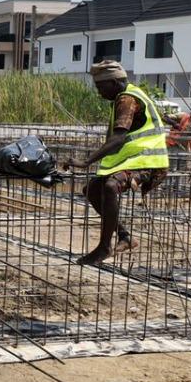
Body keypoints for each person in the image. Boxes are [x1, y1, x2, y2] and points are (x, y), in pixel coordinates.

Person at [63, 61, 169, 266]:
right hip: (134, 159)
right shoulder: (128, 95)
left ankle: (104, 248)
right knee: (92, 189)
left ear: (113, 83)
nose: (99, 93)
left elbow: (118, 138)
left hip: (149, 163)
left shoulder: (127, 99)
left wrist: (86, 162)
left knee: (111, 187)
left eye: (100, 87)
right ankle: (125, 235)